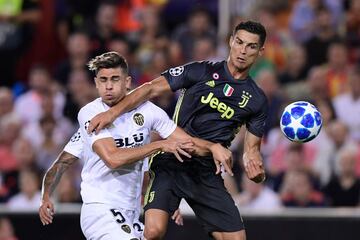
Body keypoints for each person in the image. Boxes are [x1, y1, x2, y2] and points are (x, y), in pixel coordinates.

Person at [88, 21, 268, 240]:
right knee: (153, 231)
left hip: (205, 172)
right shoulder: (200, 71)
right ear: (230, 41)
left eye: (251, 46)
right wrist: (111, 114)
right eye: (239, 42)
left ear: (260, 51)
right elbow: (150, 88)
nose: (243, 50)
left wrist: (257, 173)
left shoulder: (257, 100)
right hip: (171, 159)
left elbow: (252, 150)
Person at [39, 52, 230, 239]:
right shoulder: (91, 114)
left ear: (127, 82)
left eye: (115, 79)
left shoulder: (148, 112)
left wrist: (212, 148)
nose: (108, 86)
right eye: (103, 80)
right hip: (100, 210)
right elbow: (112, 159)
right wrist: (45, 195)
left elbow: (184, 142)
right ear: (96, 84)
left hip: (130, 212)